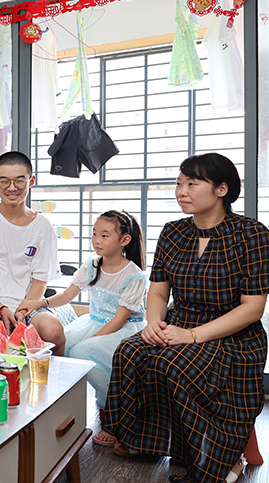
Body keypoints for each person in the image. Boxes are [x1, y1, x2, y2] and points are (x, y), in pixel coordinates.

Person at [102, 153, 268, 483]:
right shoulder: (173, 232)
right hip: (179, 322)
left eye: (192, 184)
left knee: (171, 365)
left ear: (221, 189)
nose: (181, 192)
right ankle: (143, 439)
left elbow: (252, 308)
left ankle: (220, 454)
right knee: (128, 352)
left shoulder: (251, 234)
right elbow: (158, 292)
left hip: (232, 336)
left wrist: (191, 335)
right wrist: (153, 323)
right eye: (179, 184)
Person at [21, 210, 146, 446]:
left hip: (123, 329)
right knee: (62, 347)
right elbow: (67, 295)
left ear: (125, 240)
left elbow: (119, 320)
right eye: (94, 233)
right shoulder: (92, 264)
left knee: (83, 351)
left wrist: (92, 341)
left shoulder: (135, 275)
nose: (97, 240)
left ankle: (113, 415)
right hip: (93, 322)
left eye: (104, 235)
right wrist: (40, 303)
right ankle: (66, 410)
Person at [0, 151, 65, 354]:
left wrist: (23, 310)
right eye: (5, 181)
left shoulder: (43, 227)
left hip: (28, 304)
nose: (12, 188)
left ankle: (53, 375)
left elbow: (40, 281)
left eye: (19, 181)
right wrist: (1, 308)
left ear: (31, 181)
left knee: (54, 330)